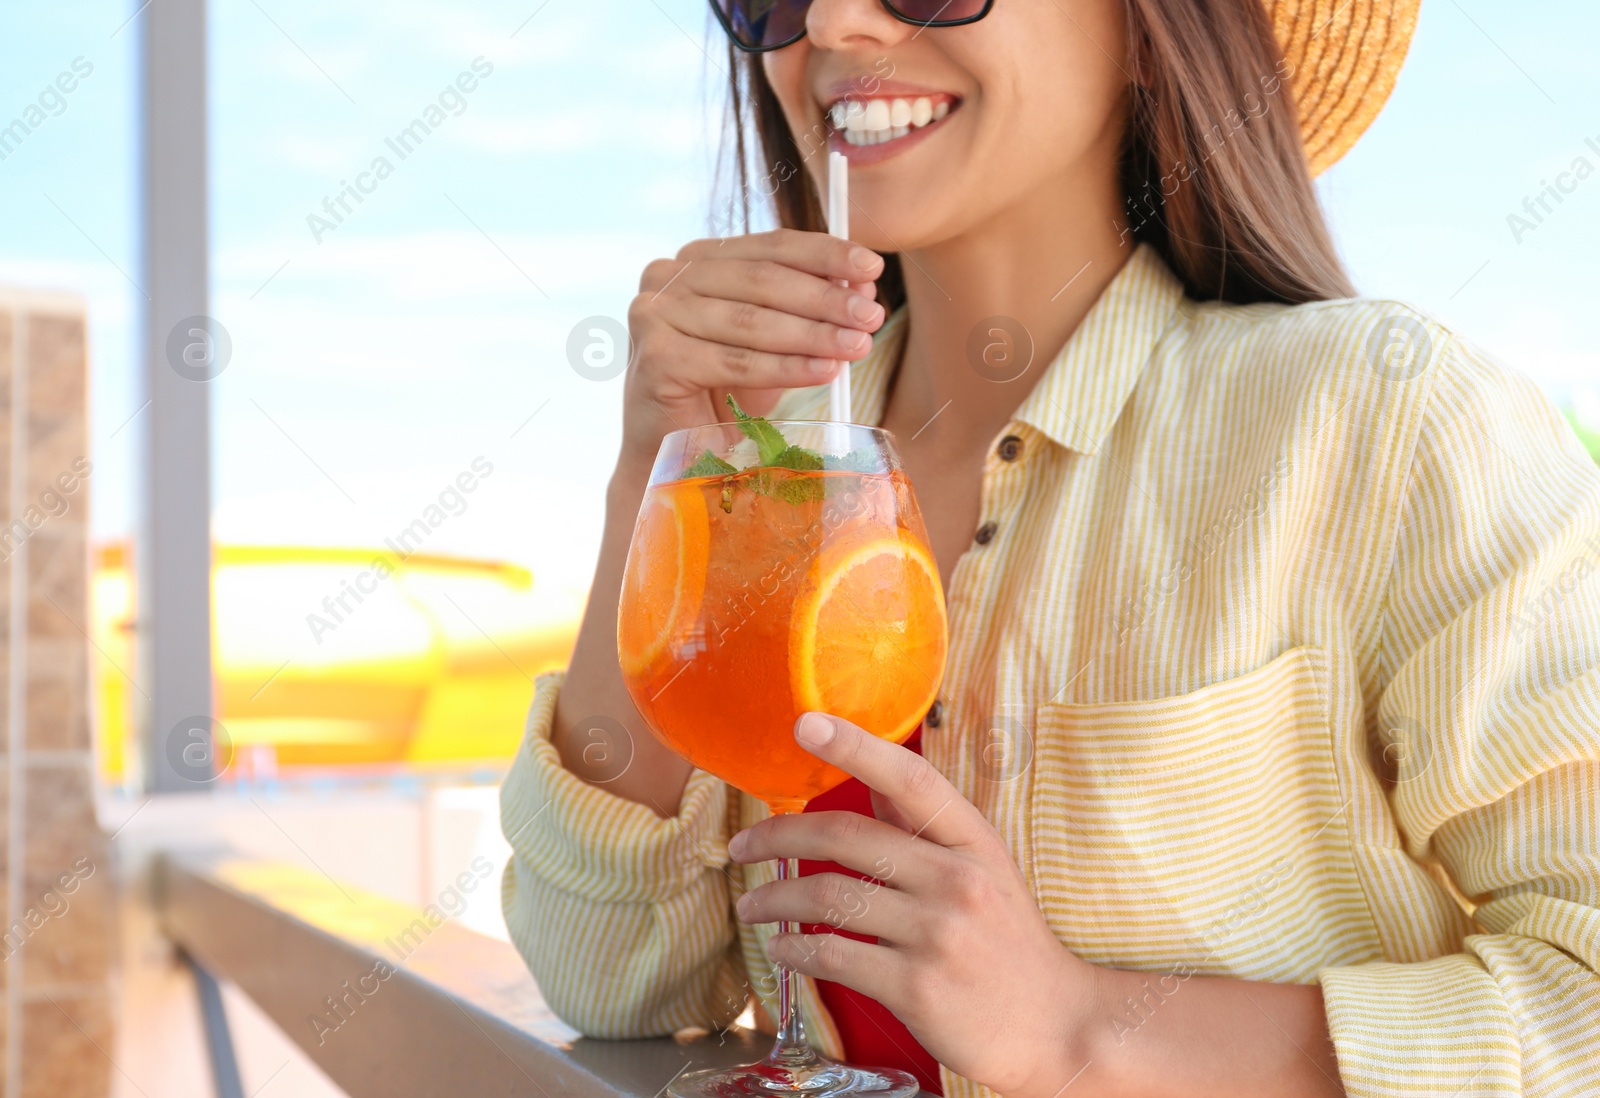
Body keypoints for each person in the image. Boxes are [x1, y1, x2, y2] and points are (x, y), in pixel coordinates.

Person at [501, 0, 1600, 1094]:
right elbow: (610, 981)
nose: (830, 23)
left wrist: (1082, 1031)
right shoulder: (763, 470)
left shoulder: (1384, 418)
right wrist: (656, 465)